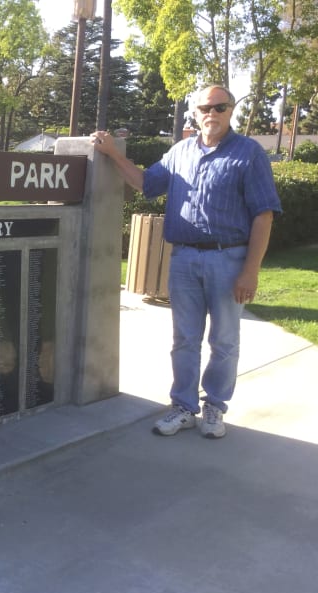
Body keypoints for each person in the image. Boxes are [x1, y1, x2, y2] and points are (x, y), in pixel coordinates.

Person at [91, 84, 282, 439]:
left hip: (229, 259)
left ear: (231, 111)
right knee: (184, 339)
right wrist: (114, 155)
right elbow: (146, 183)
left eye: (220, 107)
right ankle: (183, 407)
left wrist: (250, 271)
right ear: (194, 112)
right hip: (184, 259)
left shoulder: (249, 154)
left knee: (224, 341)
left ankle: (215, 407)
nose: (212, 113)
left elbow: (263, 215)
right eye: (205, 108)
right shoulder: (179, 152)